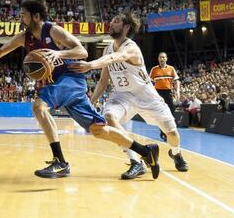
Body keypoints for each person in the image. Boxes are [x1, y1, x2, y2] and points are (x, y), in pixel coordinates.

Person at [0, 0, 160, 179]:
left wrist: (58, 53)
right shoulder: (24, 37)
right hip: (60, 83)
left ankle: (60, 161)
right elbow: (1, 50)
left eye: (24, 15)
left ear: (36, 16)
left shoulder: (53, 31)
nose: (22, 19)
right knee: (98, 130)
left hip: (70, 78)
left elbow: (82, 52)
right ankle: (146, 151)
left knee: (39, 106)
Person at [70, 12, 189, 179]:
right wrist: (90, 103)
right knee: (109, 116)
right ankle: (136, 162)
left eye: (116, 21)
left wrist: (90, 65)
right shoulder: (107, 48)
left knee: (172, 134)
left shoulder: (132, 48)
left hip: (145, 94)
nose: (111, 23)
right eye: (111, 20)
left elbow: (116, 57)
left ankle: (176, 153)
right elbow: (103, 81)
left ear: (126, 27)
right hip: (122, 96)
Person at [149, 52, 180, 140]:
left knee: (170, 114)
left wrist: (177, 91)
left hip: (168, 93)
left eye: (163, 57)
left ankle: (170, 132)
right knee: (160, 114)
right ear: (158, 59)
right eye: (160, 57)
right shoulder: (154, 69)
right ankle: (163, 132)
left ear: (166, 59)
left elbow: (177, 81)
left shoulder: (171, 69)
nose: (162, 59)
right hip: (158, 94)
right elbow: (149, 82)